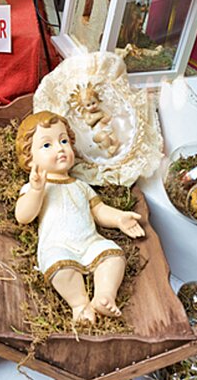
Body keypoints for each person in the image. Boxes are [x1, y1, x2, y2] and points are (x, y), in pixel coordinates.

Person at [15, 111, 145, 324]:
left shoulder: (81, 186)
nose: (60, 148)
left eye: (63, 141)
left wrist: (119, 218)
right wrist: (36, 190)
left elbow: (99, 210)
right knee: (62, 270)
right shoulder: (36, 187)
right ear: (29, 159)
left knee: (114, 258)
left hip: (89, 242)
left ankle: (104, 296)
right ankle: (79, 305)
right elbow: (23, 216)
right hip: (57, 246)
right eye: (47, 145)